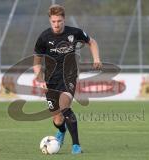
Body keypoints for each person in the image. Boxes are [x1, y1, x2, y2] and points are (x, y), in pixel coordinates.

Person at [33, 4, 102, 154]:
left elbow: (92, 42)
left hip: (69, 76)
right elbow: (37, 63)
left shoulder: (74, 33)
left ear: (64, 19)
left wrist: (96, 58)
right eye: (53, 22)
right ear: (50, 21)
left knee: (65, 106)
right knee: (57, 120)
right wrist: (40, 78)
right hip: (50, 80)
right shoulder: (44, 37)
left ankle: (76, 145)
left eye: (59, 21)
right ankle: (62, 131)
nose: (56, 24)